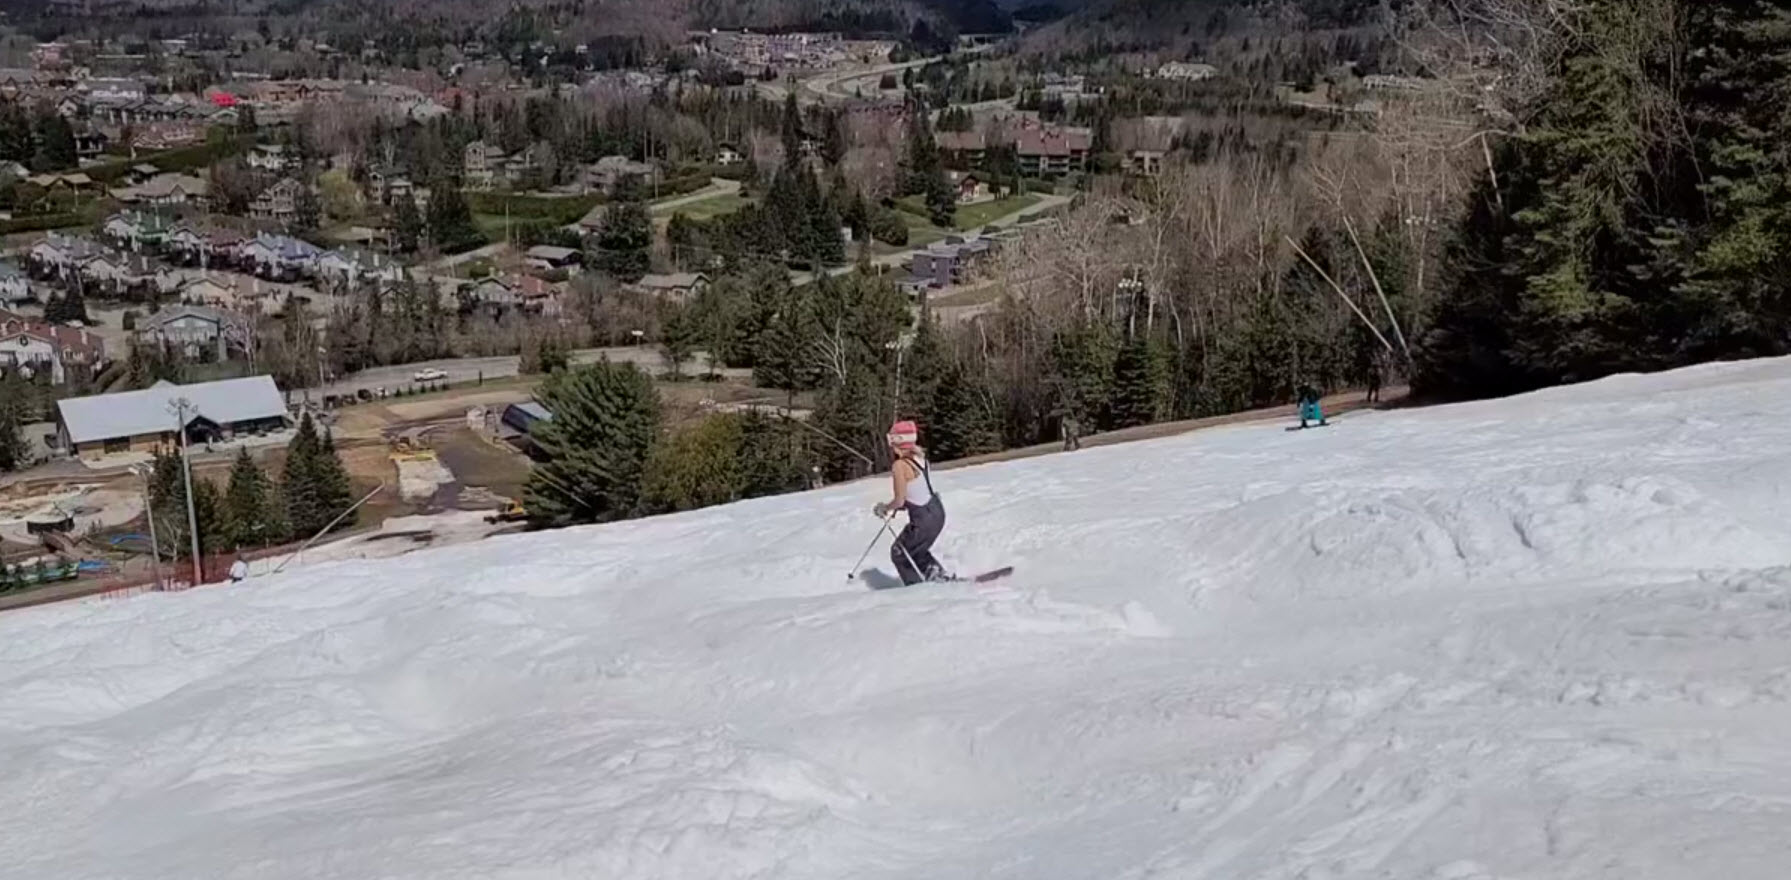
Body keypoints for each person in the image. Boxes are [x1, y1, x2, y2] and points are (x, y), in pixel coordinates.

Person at [872, 420, 947, 585]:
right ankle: (938, 576)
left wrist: (884, 508)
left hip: (923, 519)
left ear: (897, 442)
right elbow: (917, 491)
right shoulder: (921, 459)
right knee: (916, 551)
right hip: (937, 512)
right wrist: (903, 504)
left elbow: (899, 499)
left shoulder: (899, 465)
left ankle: (916, 588)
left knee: (900, 553)